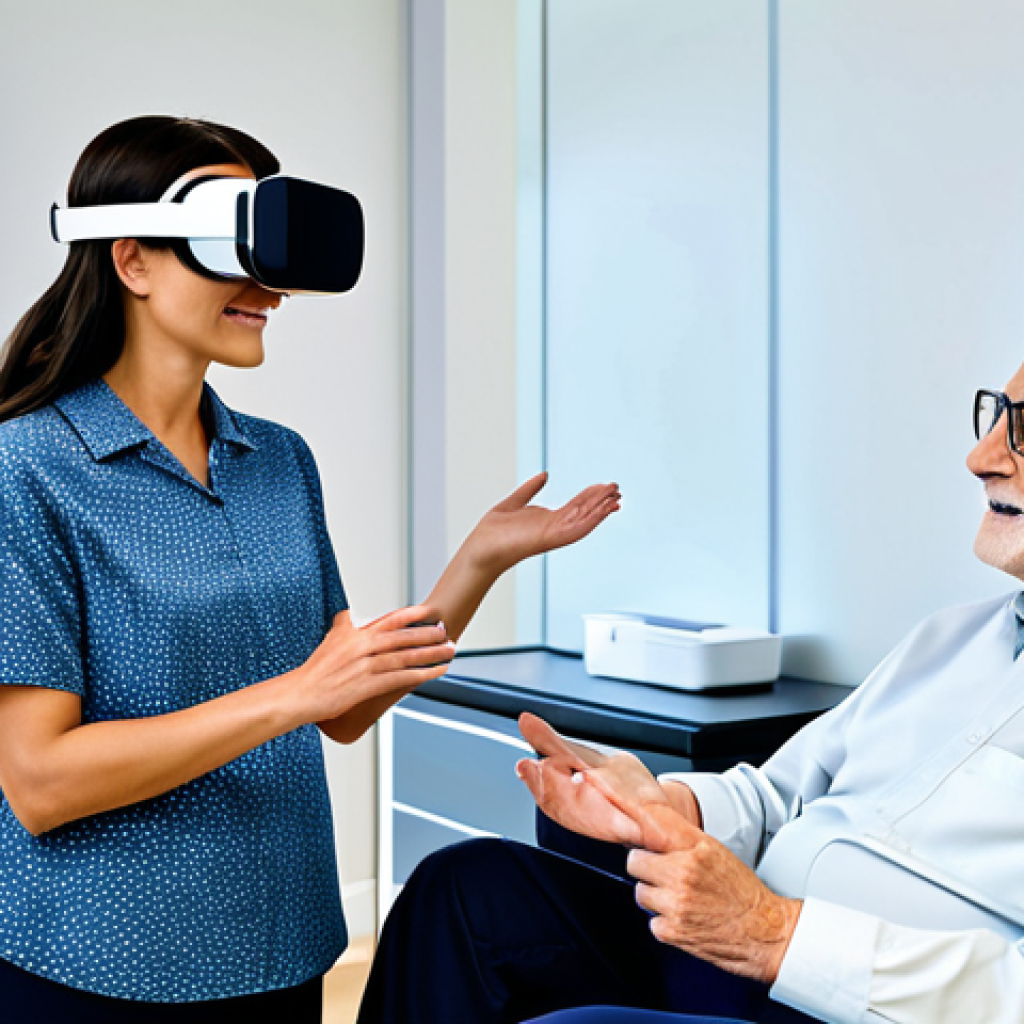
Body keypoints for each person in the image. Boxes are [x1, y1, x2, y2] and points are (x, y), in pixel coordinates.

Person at [0, 115, 620, 1023]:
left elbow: (344, 706)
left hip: (283, 942)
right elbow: (41, 782)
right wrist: (292, 694)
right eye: (233, 244)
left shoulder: (278, 460)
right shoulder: (27, 470)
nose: (271, 290)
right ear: (131, 261)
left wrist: (478, 563)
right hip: (103, 963)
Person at [357, 374, 1024, 1024]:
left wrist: (775, 934)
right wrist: (661, 804)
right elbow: (776, 796)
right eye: (996, 415)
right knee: (466, 889)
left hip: (845, 997)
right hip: (741, 956)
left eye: (1023, 430)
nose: (980, 457)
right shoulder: (949, 639)